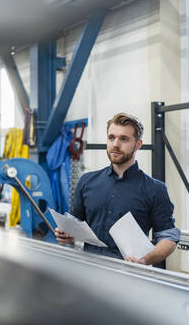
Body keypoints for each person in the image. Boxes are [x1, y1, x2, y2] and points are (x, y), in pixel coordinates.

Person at [55, 112, 180, 265]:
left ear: (138, 145)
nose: (115, 144)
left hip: (130, 276)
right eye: (111, 137)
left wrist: (146, 259)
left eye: (124, 139)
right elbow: (74, 223)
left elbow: (168, 237)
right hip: (89, 271)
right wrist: (66, 233)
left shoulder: (155, 189)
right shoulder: (87, 182)